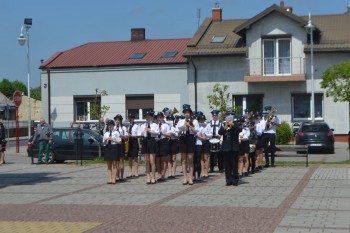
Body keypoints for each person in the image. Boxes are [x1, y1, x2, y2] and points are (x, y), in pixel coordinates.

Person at [176, 104, 199, 185]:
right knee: (184, 160)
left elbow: (196, 132)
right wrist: (182, 127)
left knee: (190, 159)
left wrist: (190, 125)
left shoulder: (194, 121)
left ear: (190, 113)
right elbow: (177, 133)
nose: (186, 114)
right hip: (183, 139)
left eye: (188, 112)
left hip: (191, 139)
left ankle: (191, 178)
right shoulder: (180, 121)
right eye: (185, 112)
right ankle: (185, 178)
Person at [218, 112, 241, 186]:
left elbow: (239, 129)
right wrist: (226, 126)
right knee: (227, 165)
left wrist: (232, 124)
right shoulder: (225, 125)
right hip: (226, 147)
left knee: (234, 164)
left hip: (234, 147)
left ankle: (235, 180)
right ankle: (228, 180)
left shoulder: (236, 124)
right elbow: (220, 132)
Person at [140, 111, 159, 184]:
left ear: (151, 117)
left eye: (149, 116)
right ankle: (148, 177)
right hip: (145, 141)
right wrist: (142, 132)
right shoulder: (142, 125)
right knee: (146, 161)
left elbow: (157, 133)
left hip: (152, 141)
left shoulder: (154, 125)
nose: (147, 118)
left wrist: (149, 130)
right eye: (146, 116)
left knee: (152, 161)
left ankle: (153, 177)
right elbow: (140, 133)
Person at [103, 120, 121, 184]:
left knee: (115, 164)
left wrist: (113, 139)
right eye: (108, 125)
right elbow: (104, 143)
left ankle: (114, 179)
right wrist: (106, 139)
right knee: (109, 165)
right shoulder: (106, 133)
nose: (109, 126)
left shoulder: (116, 132)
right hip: (108, 148)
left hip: (114, 147)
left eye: (111, 125)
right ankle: (110, 179)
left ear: (113, 125)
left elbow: (119, 142)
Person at [155, 112, 171, 181]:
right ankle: (159, 174)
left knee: (164, 160)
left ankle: (163, 174)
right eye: (158, 117)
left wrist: (162, 133)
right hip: (157, 141)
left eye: (160, 117)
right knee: (157, 160)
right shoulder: (155, 125)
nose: (159, 119)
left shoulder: (166, 125)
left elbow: (169, 135)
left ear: (163, 118)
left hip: (164, 141)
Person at [114, 114, 129, 182]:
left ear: (121, 120)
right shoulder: (113, 127)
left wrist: (122, 135)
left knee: (121, 160)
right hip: (115, 144)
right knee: (116, 161)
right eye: (116, 119)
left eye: (119, 119)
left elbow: (126, 137)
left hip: (121, 143)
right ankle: (116, 176)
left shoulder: (123, 128)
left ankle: (122, 176)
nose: (117, 121)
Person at [127, 113, 140, 178]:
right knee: (129, 158)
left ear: (133, 118)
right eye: (129, 118)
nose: (130, 119)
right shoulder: (127, 126)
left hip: (134, 141)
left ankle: (136, 172)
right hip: (129, 141)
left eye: (131, 118)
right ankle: (130, 172)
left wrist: (132, 135)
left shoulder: (137, 126)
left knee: (135, 157)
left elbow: (139, 135)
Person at [194, 113, 207, 182]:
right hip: (192, 144)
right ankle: (193, 175)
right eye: (199, 120)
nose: (200, 122)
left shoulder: (202, 128)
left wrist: (198, 136)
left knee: (198, 160)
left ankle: (198, 175)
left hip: (199, 144)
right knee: (193, 161)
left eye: (202, 120)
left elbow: (204, 138)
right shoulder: (192, 126)